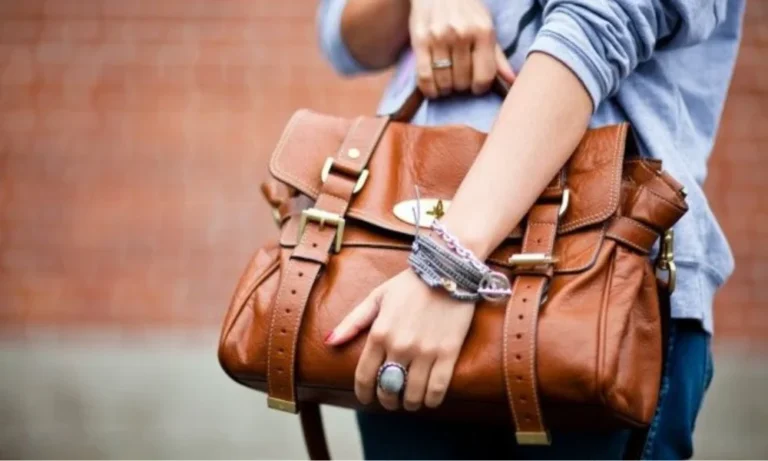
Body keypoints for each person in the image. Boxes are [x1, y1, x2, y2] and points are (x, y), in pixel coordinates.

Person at [316, 0, 744, 459]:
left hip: (593, 283)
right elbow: (341, 39)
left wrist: (447, 266)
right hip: (405, 287)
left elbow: (599, 26)